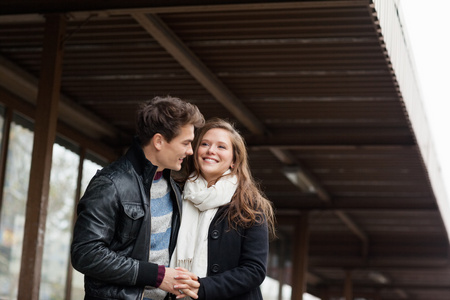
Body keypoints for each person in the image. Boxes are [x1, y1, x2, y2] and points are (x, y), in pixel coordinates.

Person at [71, 96, 204, 300]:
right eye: (185, 143)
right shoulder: (111, 183)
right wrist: (157, 276)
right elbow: (86, 254)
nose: (190, 151)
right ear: (159, 141)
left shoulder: (173, 188)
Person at [171, 118, 276, 300]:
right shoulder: (174, 193)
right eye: (205, 144)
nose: (211, 150)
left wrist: (203, 287)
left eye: (221, 147)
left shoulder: (249, 205)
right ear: (195, 152)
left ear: (234, 161)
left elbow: (255, 270)